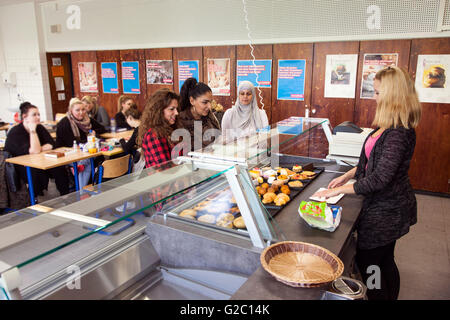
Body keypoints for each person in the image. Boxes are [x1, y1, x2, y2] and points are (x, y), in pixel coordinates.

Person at [312, 66, 422, 300]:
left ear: (392, 95)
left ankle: (378, 296)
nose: (374, 97)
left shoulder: (398, 133)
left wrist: (340, 190)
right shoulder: (387, 125)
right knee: (384, 260)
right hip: (382, 208)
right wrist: (348, 174)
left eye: (379, 92)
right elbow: (372, 161)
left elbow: (380, 178)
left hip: (387, 212)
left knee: (370, 262)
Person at [5, 102, 70, 198]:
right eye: (34, 115)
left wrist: (40, 149)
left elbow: (52, 144)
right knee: (34, 172)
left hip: (37, 160)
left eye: (38, 114)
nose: (38, 117)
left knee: (59, 168)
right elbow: (34, 151)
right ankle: (33, 199)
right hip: (17, 165)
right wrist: (32, 131)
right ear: (25, 117)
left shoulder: (39, 127)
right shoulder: (16, 132)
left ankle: (66, 196)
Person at [56, 98, 106, 188]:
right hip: (68, 154)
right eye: (77, 110)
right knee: (88, 161)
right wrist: (89, 138)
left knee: (92, 158)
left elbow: (103, 128)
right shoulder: (65, 123)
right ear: (71, 111)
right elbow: (72, 142)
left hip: (84, 151)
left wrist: (94, 132)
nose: (81, 112)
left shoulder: (87, 119)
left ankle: (83, 188)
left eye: (83, 109)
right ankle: (82, 190)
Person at [137, 89, 180, 168]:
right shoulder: (154, 135)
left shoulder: (170, 129)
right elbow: (166, 169)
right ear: (159, 111)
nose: (177, 113)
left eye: (176, 109)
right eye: (171, 109)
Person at [178, 78, 220, 151]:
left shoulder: (210, 116)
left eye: (210, 102)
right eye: (205, 102)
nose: (209, 107)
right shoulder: (180, 120)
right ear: (192, 101)